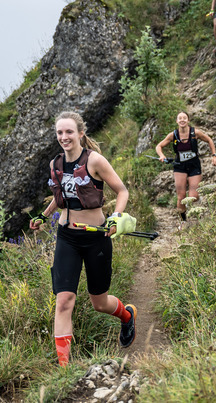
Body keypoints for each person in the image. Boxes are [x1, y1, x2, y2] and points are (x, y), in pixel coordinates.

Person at [29, 110, 138, 366]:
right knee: (64, 301)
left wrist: (115, 218)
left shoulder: (95, 161)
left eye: (69, 132)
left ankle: (127, 316)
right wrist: (44, 216)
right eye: (59, 132)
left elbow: (122, 191)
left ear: (80, 133)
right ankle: (64, 369)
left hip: (96, 237)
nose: (64, 137)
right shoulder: (55, 164)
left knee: (99, 303)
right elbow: (61, 197)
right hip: (67, 237)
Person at [155, 111, 216, 222]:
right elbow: (159, 146)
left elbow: (209, 140)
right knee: (181, 197)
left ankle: (195, 205)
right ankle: (183, 221)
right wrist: (161, 156)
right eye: (180, 118)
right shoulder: (173, 135)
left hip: (194, 165)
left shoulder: (195, 133)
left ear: (188, 120)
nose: (182, 120)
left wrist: (214, 156)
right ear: (177, 121)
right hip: (180, 166)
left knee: (194, 196)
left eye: (184, 118)